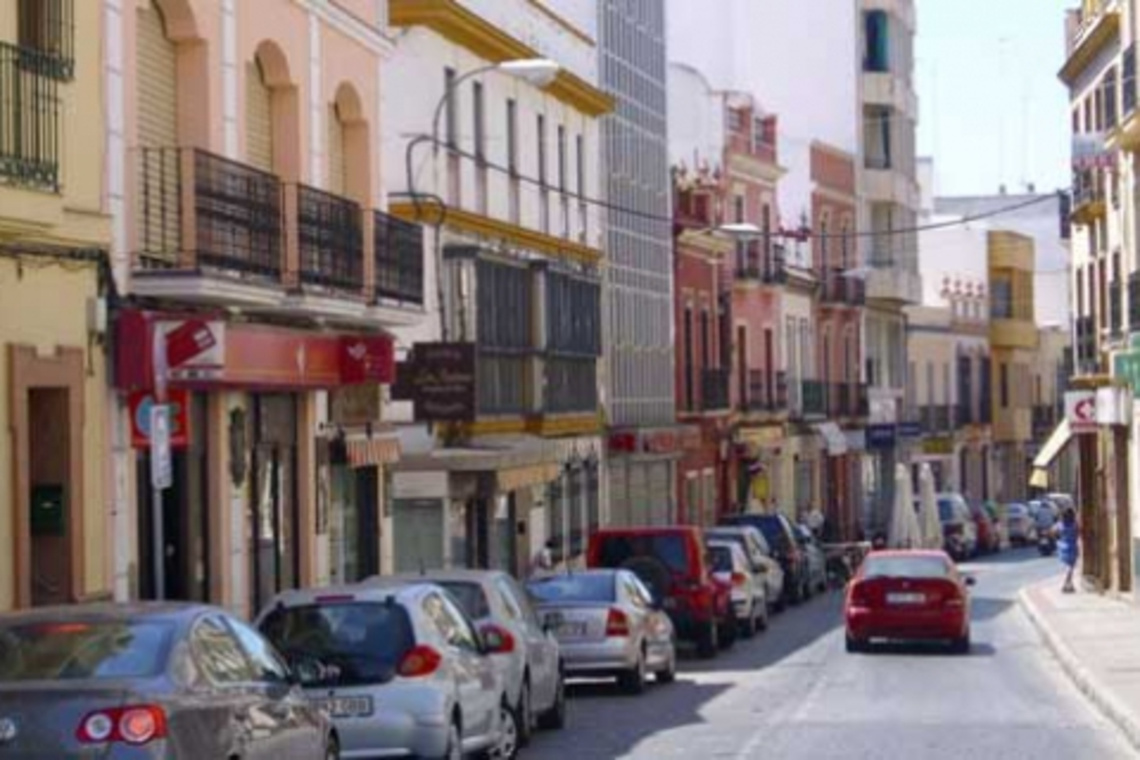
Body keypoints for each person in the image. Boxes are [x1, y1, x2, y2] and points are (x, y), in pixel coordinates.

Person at [1055, 507, 1080, 593]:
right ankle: (1065, 584)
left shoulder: (1060, 524)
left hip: (1062, 547)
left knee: (1068, 567)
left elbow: (1055, 531)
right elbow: (1078, 532)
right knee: (1070, 567)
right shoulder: (1075, 524)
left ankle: (1070, 585)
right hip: (1072, 547)